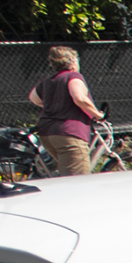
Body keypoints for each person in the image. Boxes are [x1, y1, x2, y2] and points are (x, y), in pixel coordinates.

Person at [25, 47, 103, 176]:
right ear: (72, 61)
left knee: (66, 173)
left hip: (47, 135)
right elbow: (80, 98)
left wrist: (55, 103)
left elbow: (33, 98)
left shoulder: (47, 81)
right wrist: (97, 114)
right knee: (78, 180)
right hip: (69, 134)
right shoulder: (73, 76)